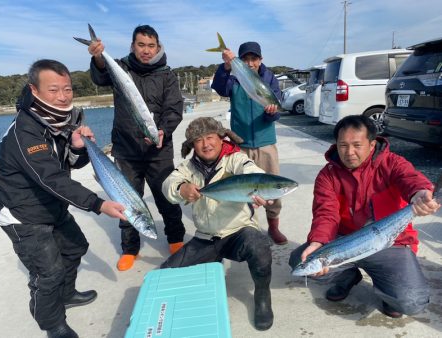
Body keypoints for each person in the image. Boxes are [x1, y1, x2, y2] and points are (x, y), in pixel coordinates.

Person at [0, 59, 127, 338]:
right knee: (48, 272)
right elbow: (50, 178)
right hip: (22, 213)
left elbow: (67, 165)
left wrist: (78, 148)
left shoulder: (59, 119)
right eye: (54, 90)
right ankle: (52, 325)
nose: (63, 96)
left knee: (75, 247)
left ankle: (66, 295)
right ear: (35, 90)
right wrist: (98, 203)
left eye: (67, 89)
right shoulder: (25, 132)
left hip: (51, 204)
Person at [288, 115, 440, 318]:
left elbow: (409, 178)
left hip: (390, 243)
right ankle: (348, 276)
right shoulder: (328, 175)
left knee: (411, 302)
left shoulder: (392, 163)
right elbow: (326, 212)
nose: (349, 152)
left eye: (356, 145)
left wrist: (421, 193)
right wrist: (318, 241)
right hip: (345, 239)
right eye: (343, 145)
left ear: (371, 144)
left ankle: (389, 292)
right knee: (299, 259)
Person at [161, 117, 274, 331]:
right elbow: (169, 184)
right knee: (167, 273)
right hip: (206, 237)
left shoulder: (236, 159)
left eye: (211, 137)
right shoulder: (187, 167)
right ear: (192, 145)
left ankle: (262, 295)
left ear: (221, 138)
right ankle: (213, 261)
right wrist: (181, 189)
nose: (206, 144)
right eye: (199, 140)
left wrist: (260, 186)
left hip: (238, 231)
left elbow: (252, 171)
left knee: (259, 245)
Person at [87, 25, 186, 271]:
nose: (146, 50)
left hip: (158, 151)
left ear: (158, 47)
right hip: (126, 150)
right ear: (133, 46)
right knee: (127, 202)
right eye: (141, 45)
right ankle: (130, 248)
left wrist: (164, 129)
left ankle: (175, 239)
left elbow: (174, 108)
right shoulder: (120, 68)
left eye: (151, 46)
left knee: (167, 198)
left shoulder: (167, 74)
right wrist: (98, 57)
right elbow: (100, 78)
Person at [211, 41, 287, 245]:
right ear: (242, 61)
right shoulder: (235, 78)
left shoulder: (269, 78)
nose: (251, 63)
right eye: (246, 59)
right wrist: (225, 67)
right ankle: (248, 229)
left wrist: (272, 114)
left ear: (260, 59)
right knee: (244, 191)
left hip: (265, 142)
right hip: (241, 143)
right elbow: (219, 89)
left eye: (254, 59)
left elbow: (276, 111)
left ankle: (273, 227)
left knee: (274, 188)